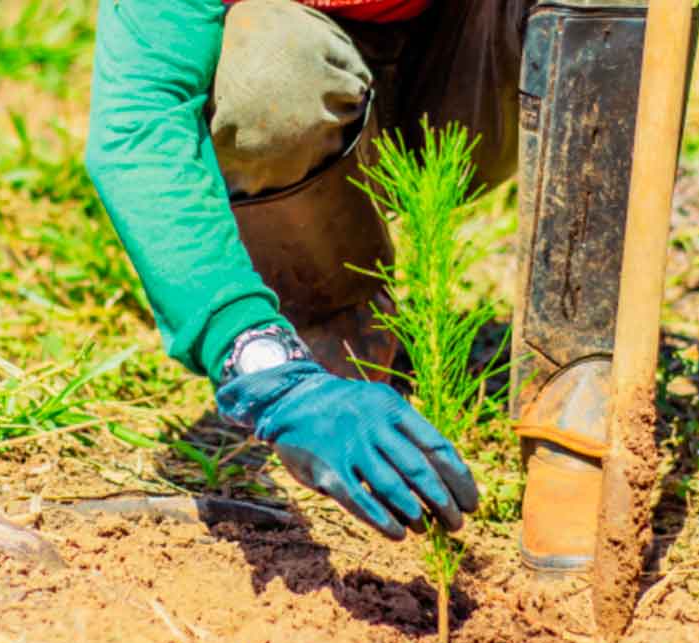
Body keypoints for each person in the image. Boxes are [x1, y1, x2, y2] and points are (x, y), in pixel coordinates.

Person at [87, 0, 666, 571]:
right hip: (303, 94)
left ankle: (572, 398)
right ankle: (332, 317)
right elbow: (140, 118)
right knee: (262, 69)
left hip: (490, 75)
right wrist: (262, 367)